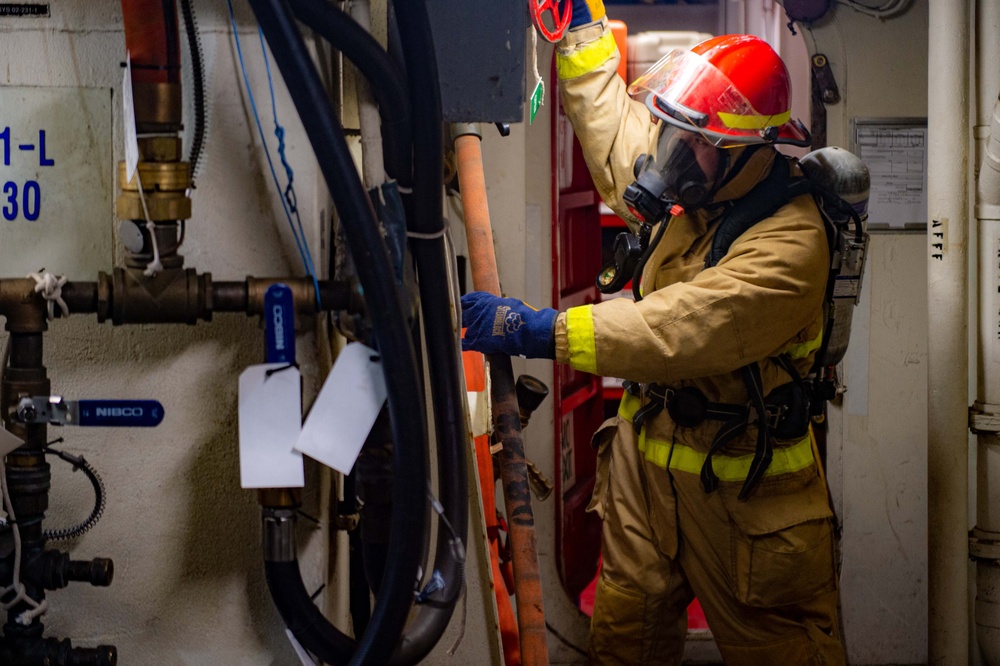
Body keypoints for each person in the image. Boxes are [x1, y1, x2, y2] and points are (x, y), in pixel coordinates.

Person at [461, 2, 846, 664]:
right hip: (645, 472)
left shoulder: (792, 241)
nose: (673, 156)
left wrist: (541, 330)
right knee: (623, 644)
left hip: (749, 500)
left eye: (692, 141)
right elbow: (615, 137)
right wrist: (582, 31)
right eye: (672, 133)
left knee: (783, 653)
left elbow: (681, 327)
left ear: (746, 149)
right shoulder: (697, 185)